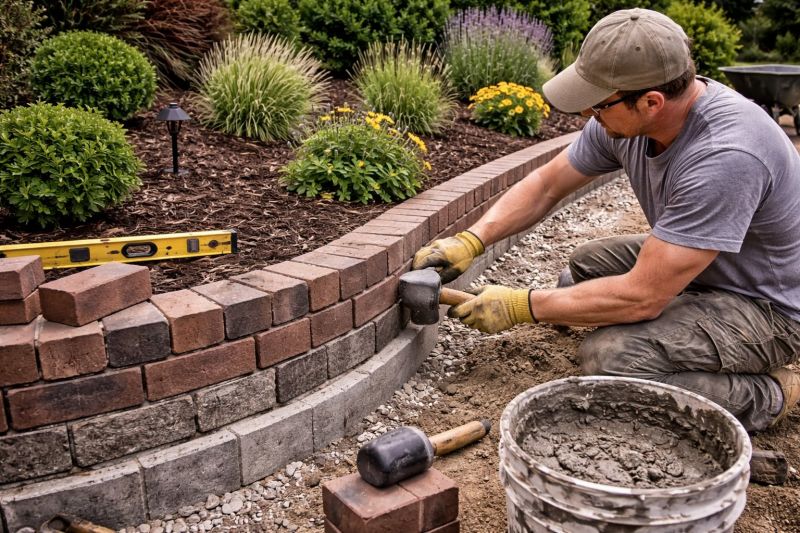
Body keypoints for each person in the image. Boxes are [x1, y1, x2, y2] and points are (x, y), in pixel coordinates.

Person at [412, 8, 800, 433]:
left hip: (768, 308)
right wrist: (472, 240)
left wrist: (522, 306)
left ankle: (771, 393)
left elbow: (641, 297)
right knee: (584, 267)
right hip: (711, 268)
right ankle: (683, 324)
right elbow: (546, 184)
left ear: (652, 102)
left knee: (612, 360)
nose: (586, 116)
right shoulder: (628, 115)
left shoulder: (727, 156)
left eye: (598, 106)